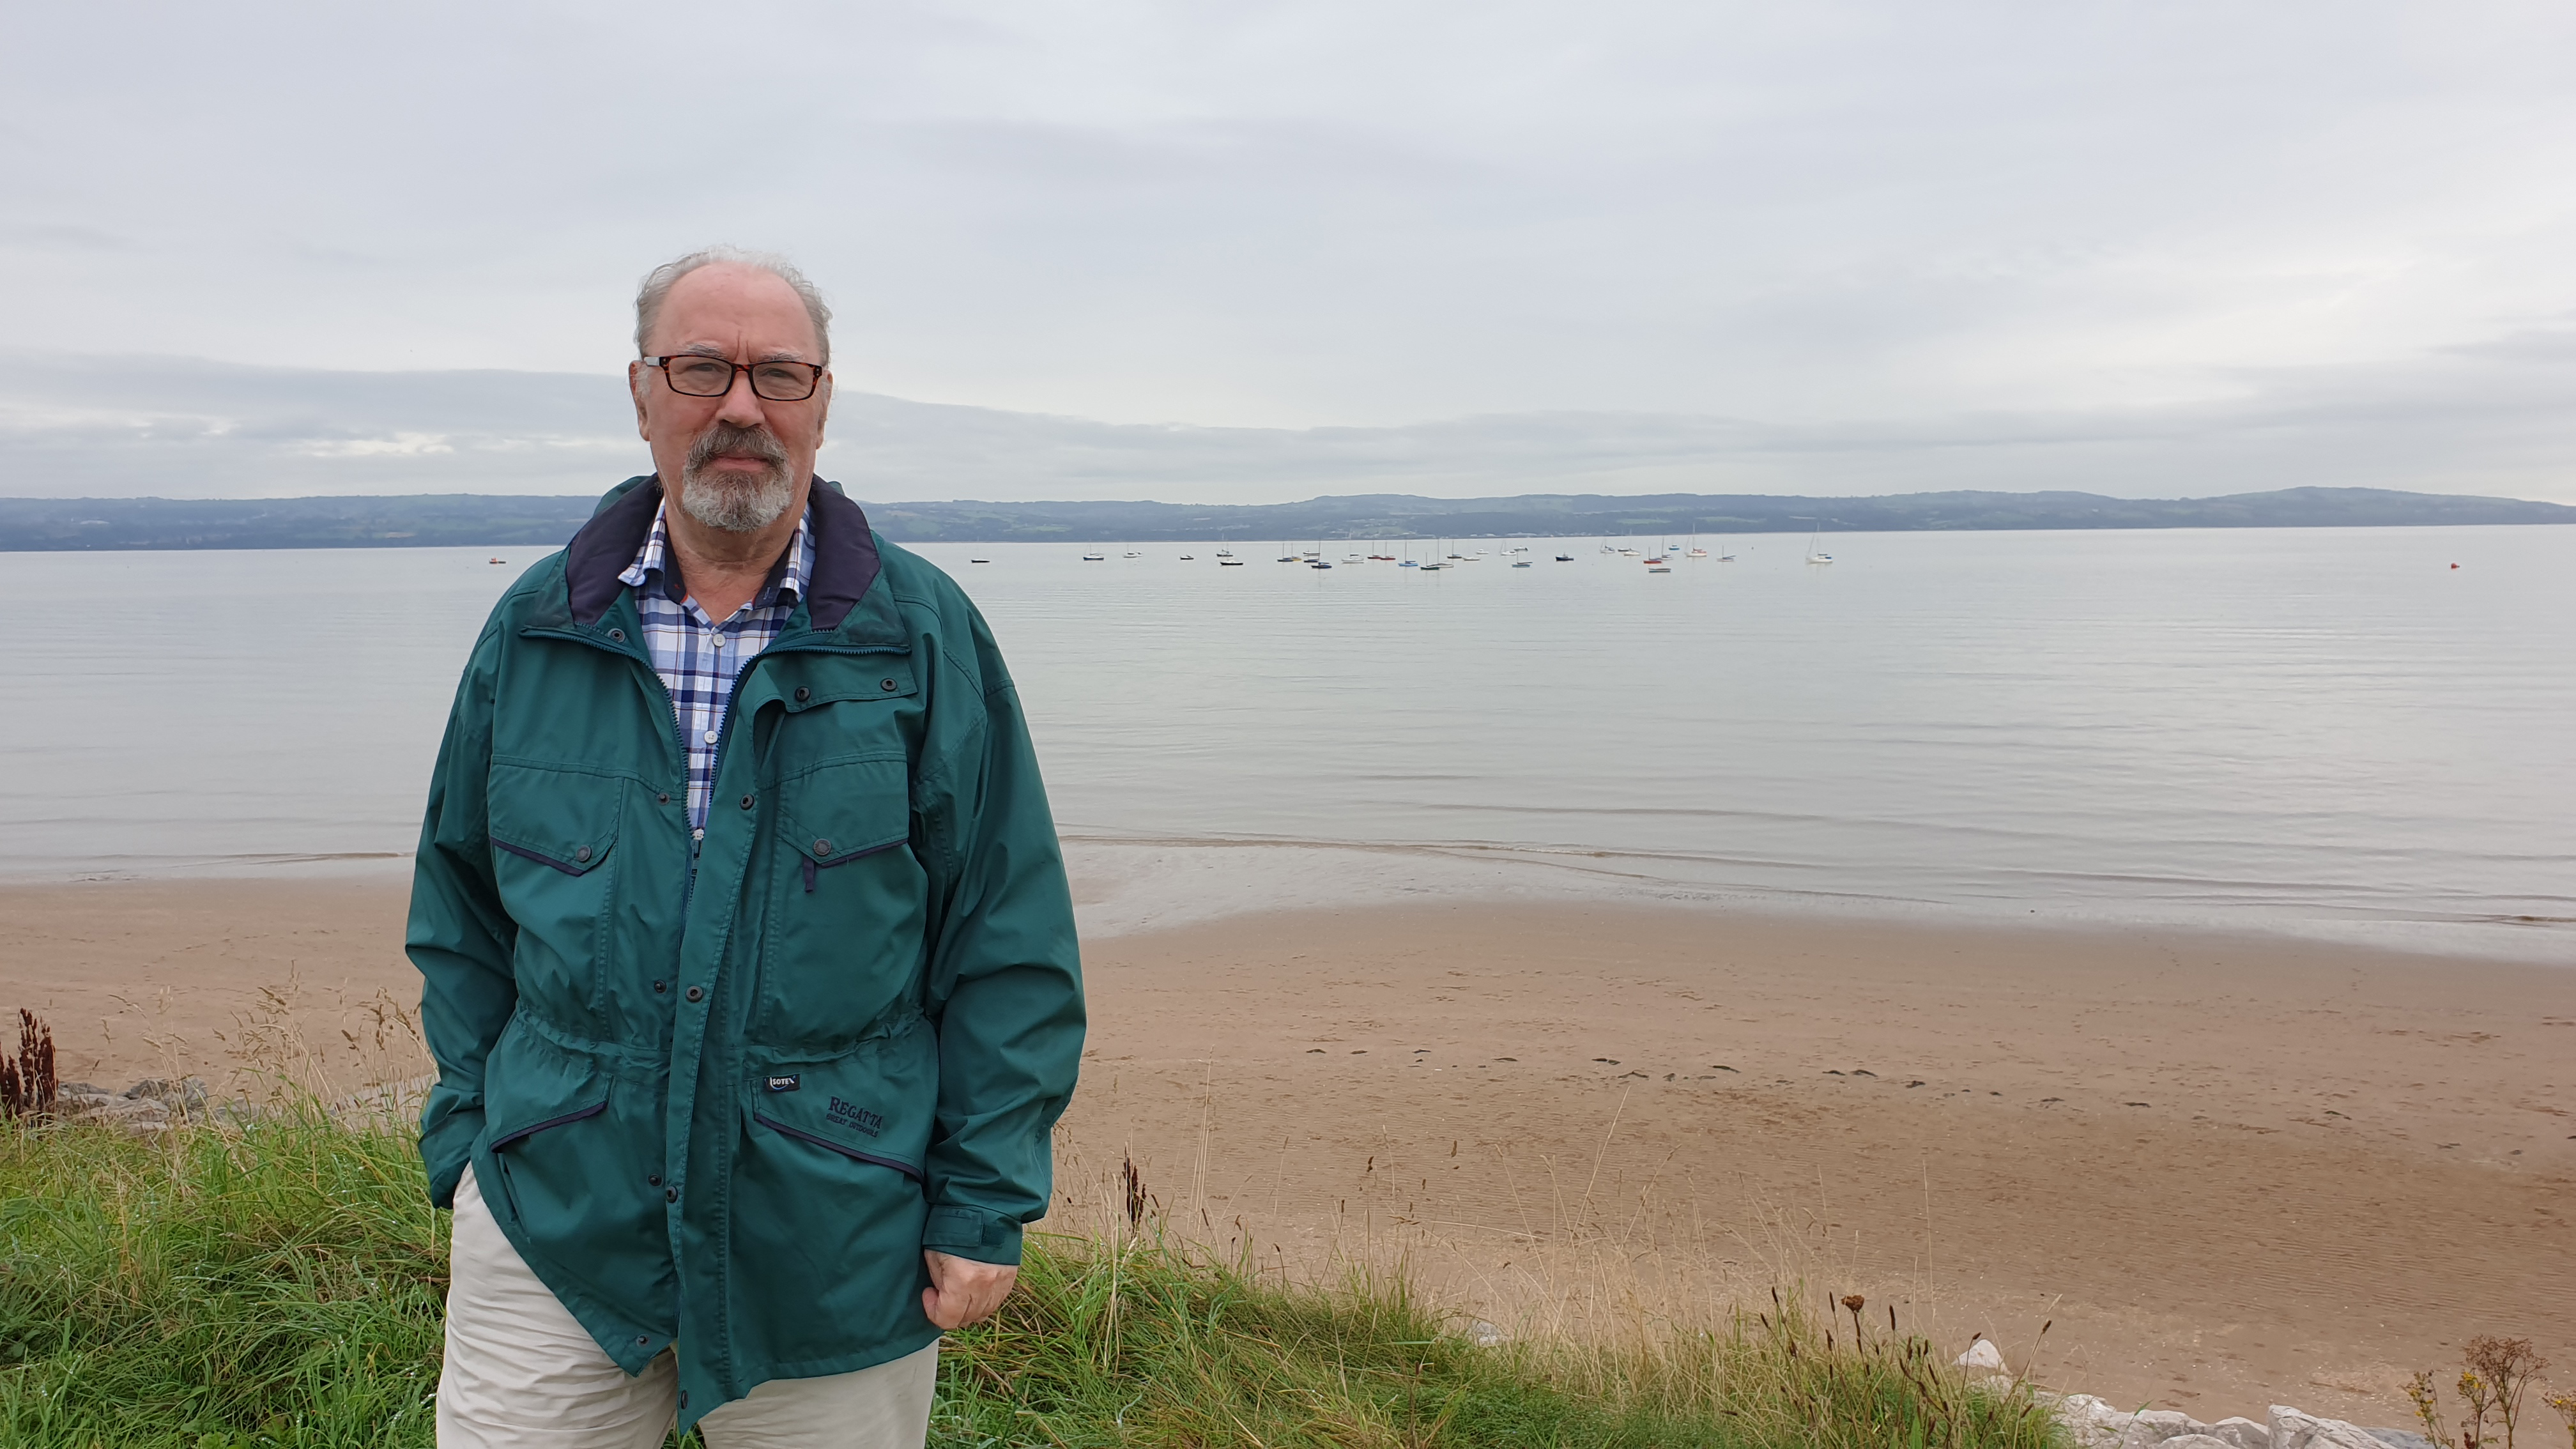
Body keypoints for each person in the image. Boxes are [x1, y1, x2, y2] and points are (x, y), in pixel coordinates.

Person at [408, 246, 1085, 1446]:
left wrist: (983, 1201)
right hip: (553, 1214)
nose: (739, 406)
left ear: (822, 403)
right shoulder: (536, 629)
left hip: (831, 1230)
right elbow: (459, 907)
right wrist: (471, 1136)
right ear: (639, 392)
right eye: (702, 367)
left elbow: (1006, 935)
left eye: (778, 374)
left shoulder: (923, 640)